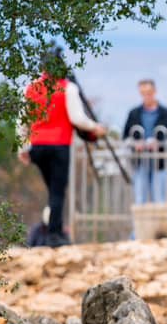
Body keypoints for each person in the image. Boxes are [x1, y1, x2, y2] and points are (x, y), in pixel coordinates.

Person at [18, 69, 107, 247]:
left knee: (53, 191)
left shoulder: (30, 88)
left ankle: (53, 229)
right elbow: (77, 118)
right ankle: (54, 234)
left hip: (37, 146)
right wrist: (95, 127)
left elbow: (22, 121)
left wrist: (22, 148)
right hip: (59, 146)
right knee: (57, 192)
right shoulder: (68, 88)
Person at [123, 79, 167, 204]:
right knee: (140, 198)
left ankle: (159, 224)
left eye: (148, 92)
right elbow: (125, 137)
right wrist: (135, 143)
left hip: (159, 162)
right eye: (143, 93)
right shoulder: (134, 114)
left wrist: (160, 143)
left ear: (155, 92)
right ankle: (141, 224)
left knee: (159, 198)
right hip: (139, 161)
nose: (146, 96)